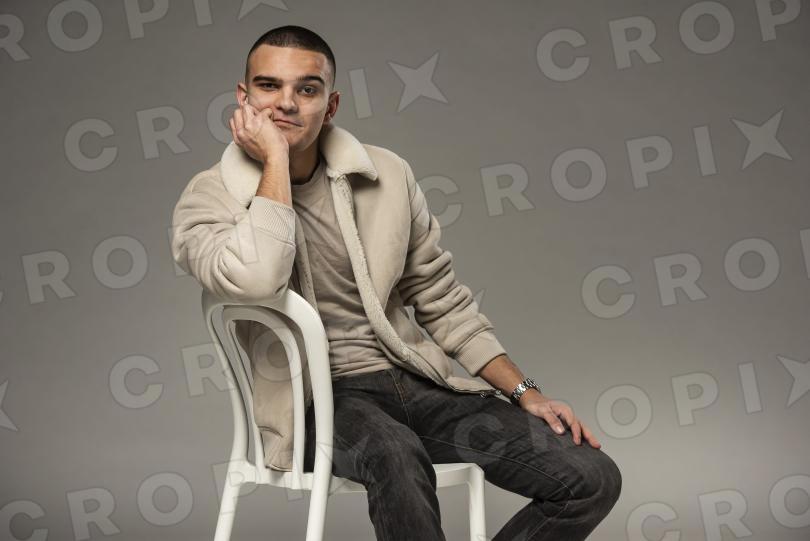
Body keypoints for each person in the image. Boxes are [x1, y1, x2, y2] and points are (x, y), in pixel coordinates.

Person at [172, 24, 621, 541]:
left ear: (331, 105)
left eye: (307, 89)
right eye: (269, 86)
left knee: (590, 477)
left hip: (415, 384)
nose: (287, 103)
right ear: (243, 97)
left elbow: (440, 297)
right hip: (315, 407)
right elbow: (258, 280)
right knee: (395, 453)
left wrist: (526, 393)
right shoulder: (209, 197)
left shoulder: (386, 174)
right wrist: (275, 160)